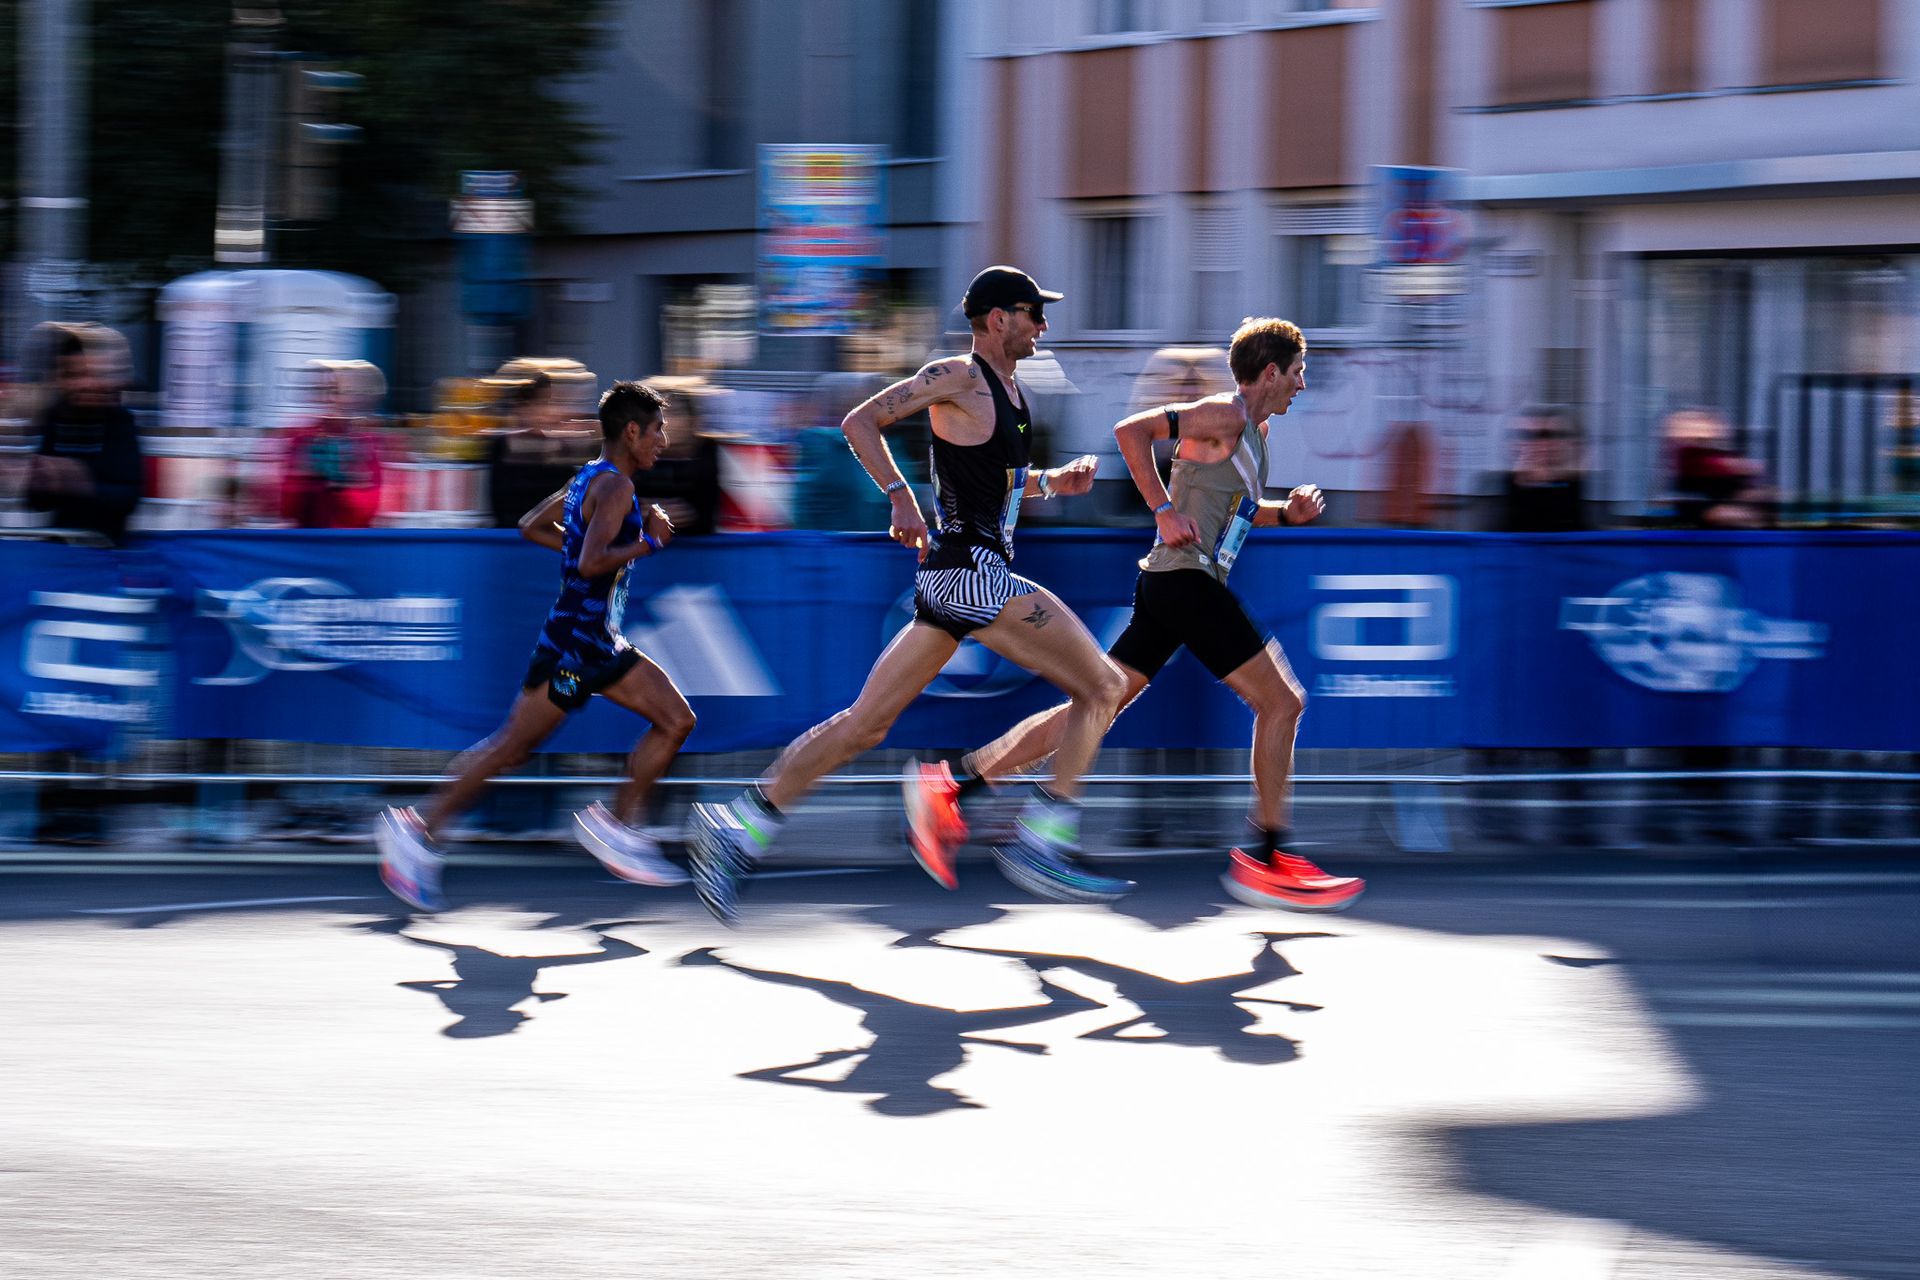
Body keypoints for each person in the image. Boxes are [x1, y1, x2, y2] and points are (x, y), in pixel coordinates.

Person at [683, 266, 1133, 922]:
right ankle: (1042, 837)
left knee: (865, 725)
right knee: (1102, 686)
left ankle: (737, 825)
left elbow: (993, 486)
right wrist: (899, 496)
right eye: (1034, 312)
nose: (1043, 325)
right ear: (997, 318)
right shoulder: (960, 375)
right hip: (975, 576)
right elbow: (861, 420)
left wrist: (1049, 484)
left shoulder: (1010, 393)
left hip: (955, 577)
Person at [903, 317, 1366, 912]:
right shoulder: (1225, 414)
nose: (1303, 384)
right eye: (1299, 372)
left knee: (1095, 705)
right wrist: (1163, 510)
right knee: (1282, 702)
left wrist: (1285, 515)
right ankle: (1269, 858)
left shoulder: (1254, 434)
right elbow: (1132, 432)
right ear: (1271, 372)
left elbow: (1231, 514)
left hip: (1173, 585)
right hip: (1186, 584)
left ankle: (954, 789)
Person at [376, 381, 697, 912]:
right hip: (576, 651)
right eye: (658, 429)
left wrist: (587, 555)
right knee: (511, 747)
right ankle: (416, 830)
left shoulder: (588, 478)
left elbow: (532, 526)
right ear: (632, 430)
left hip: (597, 646)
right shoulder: (615, 488)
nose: (665, 438)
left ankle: (617, 826)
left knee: (675, 719)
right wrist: (652, 542)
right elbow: (593, 562)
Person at [24, 322, 143, 545]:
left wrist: (79, 481)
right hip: (61, 545)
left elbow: (128, 498)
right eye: (73, 375)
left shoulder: (119, 421)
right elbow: (36, 502)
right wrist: (38, 479)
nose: (85, 384)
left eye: (91, 374)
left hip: (105, 548)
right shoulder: (54, 418)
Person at [278, 359, 388, 529]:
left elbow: (367, 513)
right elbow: (286, 509)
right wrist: (304, 476)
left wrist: (345, 482)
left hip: (350, 545)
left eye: (336, 391)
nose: (328, 399)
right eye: (322, 390)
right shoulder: (301, 438)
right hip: (307, 542)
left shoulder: (367, 441)